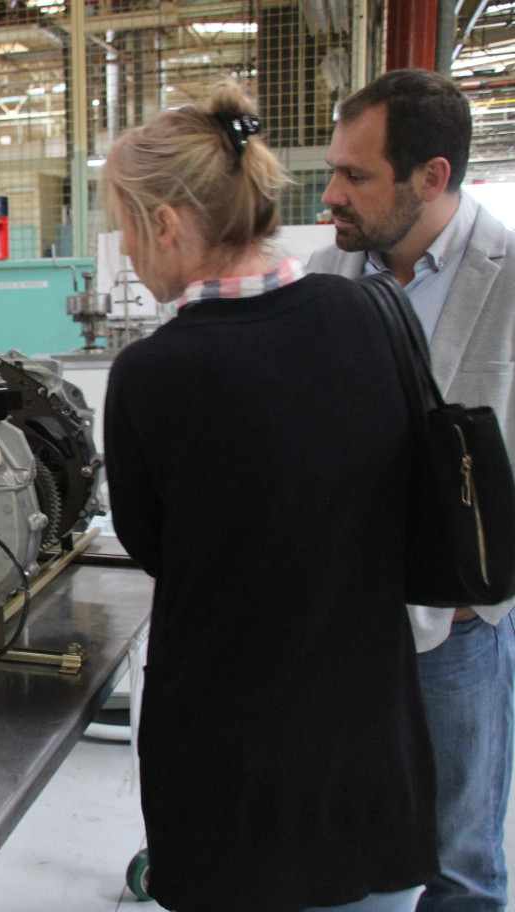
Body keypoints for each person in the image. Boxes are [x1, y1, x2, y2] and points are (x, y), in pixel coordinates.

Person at [103, 83, 438, 912]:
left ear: (168, 225)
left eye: (125, 225)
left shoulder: (152, 375)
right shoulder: (377, 314)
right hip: (370, 770)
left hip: (235, 791)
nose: (125, 248)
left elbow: (153, 545)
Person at [308, 68, 515, 912]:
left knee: (459, 858)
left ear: (431, 178)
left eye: (355, 175)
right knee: (341, 840)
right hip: (340, 624)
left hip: (454, 635)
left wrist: (480, 594)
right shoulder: (329, 277)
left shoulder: (508, 280)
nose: (330, 196)